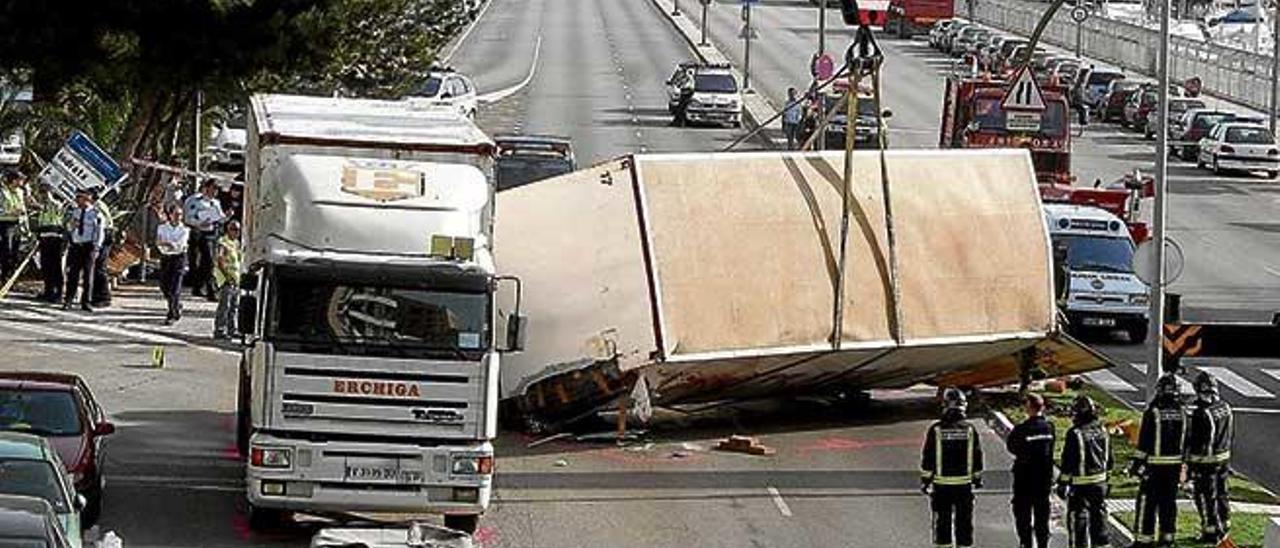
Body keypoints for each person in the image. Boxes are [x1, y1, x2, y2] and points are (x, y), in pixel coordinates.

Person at [921, 388, 984, 548]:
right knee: (964, 523)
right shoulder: (970, 430)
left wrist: (926, 480)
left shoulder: (936, 430)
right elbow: (977, 456)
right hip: (964, 486)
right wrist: (977, 479)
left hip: (941, 486)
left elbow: (928, 457)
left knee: (942, 522)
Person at [1130, 374, 1187, 548]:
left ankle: (1143, 540)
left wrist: (1135, 466)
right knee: (1168, 504)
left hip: (1154, 468)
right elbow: (1188, 442)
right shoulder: (1183, 413)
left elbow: (1144, 444)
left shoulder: (1153, 413)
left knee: (1147, 504)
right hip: (1174, 469)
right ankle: (1167, 539)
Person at [1058, 395, 1114, 548]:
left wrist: (1062, 484)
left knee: (1078, 520)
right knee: (1100, 517)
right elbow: (1110, 459)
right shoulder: (1102, 430)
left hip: (1080, 486)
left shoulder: (1075, 433)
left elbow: (1068, 461)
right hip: (1100, 484)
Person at [1186, 372, 1233, 544]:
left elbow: (1198, 442)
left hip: (1206, 463)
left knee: (1206, 497)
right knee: (1222, 494)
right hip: (1224, 460)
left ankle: (1211, 531)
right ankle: (1225, 524)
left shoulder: (1201, 414)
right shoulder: (1225, 407)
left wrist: (1191, 467)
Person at [1007, 393, 1055, 548]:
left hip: (1024, 479)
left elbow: (1012, 447)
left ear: (1029, 408)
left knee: (1022, 513)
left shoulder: (1022, 429)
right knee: (1042, 514)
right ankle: (1043, 543)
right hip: (1044, 479)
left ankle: (1025, 543)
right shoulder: (1049, 428)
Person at [63, 188, 105, 312]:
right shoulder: (75, 212)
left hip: (89, 246)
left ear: (87, 198)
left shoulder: (96, 213)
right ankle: (68, 300)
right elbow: (69, 227)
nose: (77, 200)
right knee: (73, 274)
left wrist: (97, 247)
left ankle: (86, 302)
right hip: (76, 245)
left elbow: (99, 232)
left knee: (88, 275)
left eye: (80, 197)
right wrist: (71, 226)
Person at [183, 179, 224, 300]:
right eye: (213, 188)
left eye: (216, 189)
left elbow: (220, 217)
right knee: (201, 262)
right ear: (206, 188)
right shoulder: (193, 200)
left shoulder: (215, 203)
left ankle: (203, 288)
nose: (215, 192)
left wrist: (226, 216)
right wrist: (200, 223)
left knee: (208, 262)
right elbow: (187, 218)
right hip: (197, 233)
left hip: (211, 234)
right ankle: (206, 289)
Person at [155, 205, 189, 324]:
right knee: (165, 286)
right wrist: (168, 244)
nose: (178, 217)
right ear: (170, 215)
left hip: (178, 258)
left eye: (180, 215)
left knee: (175, 288)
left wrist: (168, 243)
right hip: (166, 258)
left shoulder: (184, 230)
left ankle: (172, 314)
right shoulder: (162, 228)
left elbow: (179, 245)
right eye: (176, 214)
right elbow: (159, 243)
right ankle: (176, 305)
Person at [34, 187, 67, 303]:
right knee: (46, 267)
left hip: (55, 240)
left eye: (44, 194)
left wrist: (49, 191)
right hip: (44, 240)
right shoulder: (44, 208)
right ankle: (48, 291)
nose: (43, 196)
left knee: (56, 268)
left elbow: (55, 203)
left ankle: (58, 293)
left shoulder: (58, 206)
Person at [212, 220, 242, 338]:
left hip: (235, 278)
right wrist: (227, 276)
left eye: (238, 230)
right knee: (225, 306)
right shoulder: (223, 242)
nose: (236, 232)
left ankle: (231, 329)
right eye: (234, 229)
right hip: (225, 279)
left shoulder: (236, 243)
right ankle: (219, 329)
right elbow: (219, 260)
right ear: (228, 230)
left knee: (234, 306)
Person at [0, 169, 30, 283]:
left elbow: (23, 209)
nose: (22, 182)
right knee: (6, 249)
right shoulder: (2, 192)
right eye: (20, 179)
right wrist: (10, 212)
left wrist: (26, 227)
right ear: (14, 180)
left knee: (15, 252)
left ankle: (11, 275)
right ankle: (4, 275)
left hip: (18, 224)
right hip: (5, 224)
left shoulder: (20, 192)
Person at [90, 195, 114, 307]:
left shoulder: (97, 206)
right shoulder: (99, 205)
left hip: (104, 237)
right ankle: (96, 296)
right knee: (97, 268)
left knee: (100, 267)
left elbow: (101, 225)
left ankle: (104, 297)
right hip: (104, 236)